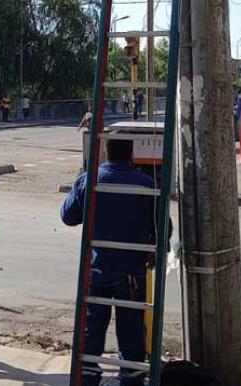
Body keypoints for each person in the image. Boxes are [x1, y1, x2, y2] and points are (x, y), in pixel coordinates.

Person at [60, 139, 168, 386]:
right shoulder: (147, 184)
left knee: (92, 324)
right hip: (131, 272)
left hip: (97, 269)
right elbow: (163, 227)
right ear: (131, 154)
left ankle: (87, 375)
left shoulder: (90, 180)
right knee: (131, 328)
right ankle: (131, 377)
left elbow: (68, 216)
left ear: (105, 152)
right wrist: (154, 249)